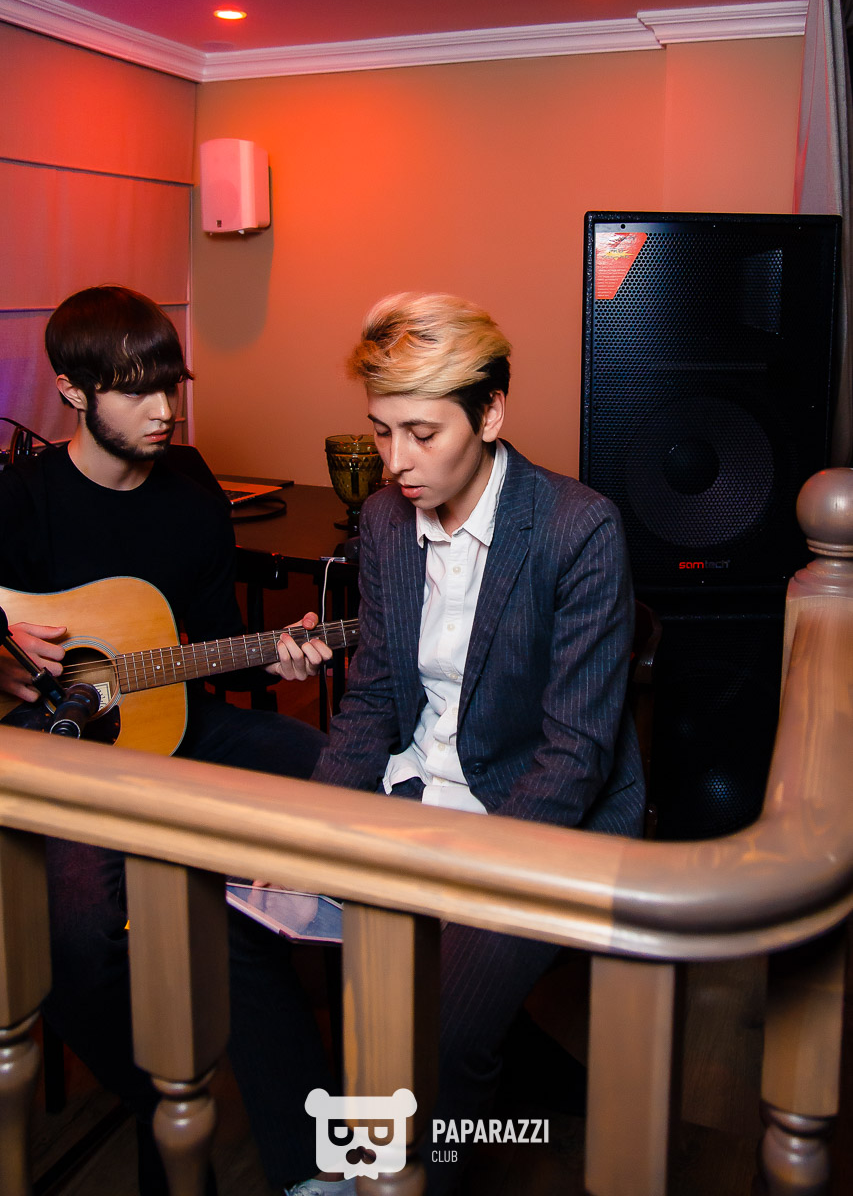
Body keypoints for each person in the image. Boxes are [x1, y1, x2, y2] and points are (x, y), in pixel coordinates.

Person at [286, 291, 644, 1196]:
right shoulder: (382, 522)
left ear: (489, 415)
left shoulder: (577, 527)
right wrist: (314, 830)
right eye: (381, 432)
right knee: (319, 951)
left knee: (442, 1025)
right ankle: (367, 1159)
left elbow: (575, 755)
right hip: (421, 788)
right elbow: (373, 700)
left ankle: (423, 1169)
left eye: (421, 432)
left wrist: (469, 881)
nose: (395, 462)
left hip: (534, 808)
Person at [0, 285, 334, 1194]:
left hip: (176, 721)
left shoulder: (190, 497)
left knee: (338, 772)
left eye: (169, 386)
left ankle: (325, 1119)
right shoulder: (21, 499)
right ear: (72, 392)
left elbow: (217, 647)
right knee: (76, 938)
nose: (163, 410)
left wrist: (279, 656)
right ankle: (161, 1092)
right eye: (133, 390)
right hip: (58, 755)